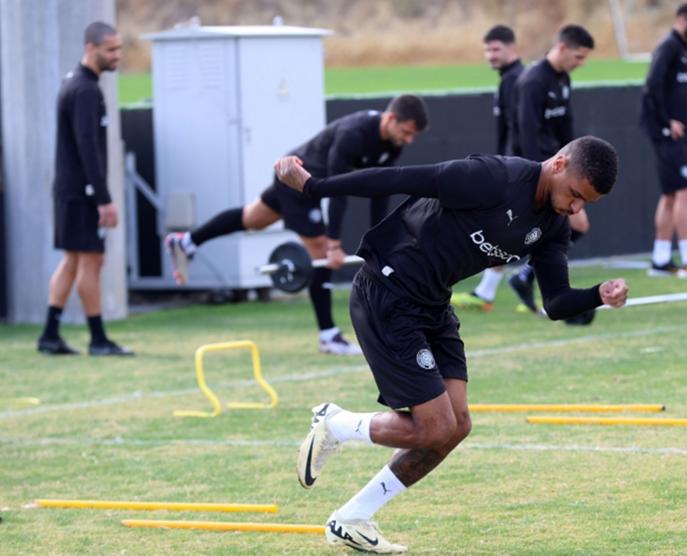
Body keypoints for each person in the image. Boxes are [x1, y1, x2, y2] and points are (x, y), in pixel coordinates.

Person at [274, 135, 628, 552]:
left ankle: (352, 517)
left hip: (433, 304)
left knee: (455, 427)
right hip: (388, 291)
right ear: (559, 164)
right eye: (575, 195)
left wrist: (598, 295)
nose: (575, 208)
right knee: (435, 426)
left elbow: (555, 303)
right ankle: (335, 424)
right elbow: (397, 178)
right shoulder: (493, 177)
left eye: (585, 203)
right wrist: (314, 187)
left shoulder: (552, 225)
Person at [165, 95, 429, 355]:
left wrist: (379, 236)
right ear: (391, 118)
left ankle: (186, 242)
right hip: (297, 182)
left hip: (307, 184)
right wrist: (334, 243)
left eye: (412, 136)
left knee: (253, 219)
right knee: (322, 253)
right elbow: (337, 193)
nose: (409, 140)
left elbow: (380, 189)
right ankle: (328, 336)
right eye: (406, 132)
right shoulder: (354, 134)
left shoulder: (393, 143)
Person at [37, 22, 132, 356]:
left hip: (70, 191)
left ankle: (50, 335)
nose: (117, 55)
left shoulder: (75, 83)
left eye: (119, 48)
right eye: (111, 49)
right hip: (82, 194)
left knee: (73, 260)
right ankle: (98, 339)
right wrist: (104, 199)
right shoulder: (85, 90)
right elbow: (87, 146)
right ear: (91, 48)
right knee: (92, 260)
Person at [507, 24, 594, 312]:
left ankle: (524, 277)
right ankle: (523, 279)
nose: (581, 63)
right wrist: (538, 177)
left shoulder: (563, 79)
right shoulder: (533, 81)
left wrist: (578, 161)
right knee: (571, 225)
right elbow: (526, 134)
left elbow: (565, 126)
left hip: (561, 169)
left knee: (570, 227)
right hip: (541, 171)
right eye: (579, 57)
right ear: (562, 48)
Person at [451, 24, 524, 311]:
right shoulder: (510, 79)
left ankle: (502, 290)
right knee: (508, 230)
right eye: (487, 50)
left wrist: (513, 167)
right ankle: (491, 291)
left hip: (518, 171)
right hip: (514, 168)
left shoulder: (516, 80)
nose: (491, 55)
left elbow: (521, 130)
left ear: (512, 48)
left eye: (496, 49)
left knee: (509, 230)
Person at [639, 1, 687, 277]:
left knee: (670, 195)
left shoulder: (684, 49)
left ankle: (660, 260)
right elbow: (651, 86)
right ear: (682, 20)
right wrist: (667, 122)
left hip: (681, 133)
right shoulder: (668, 47)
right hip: (667, 134)